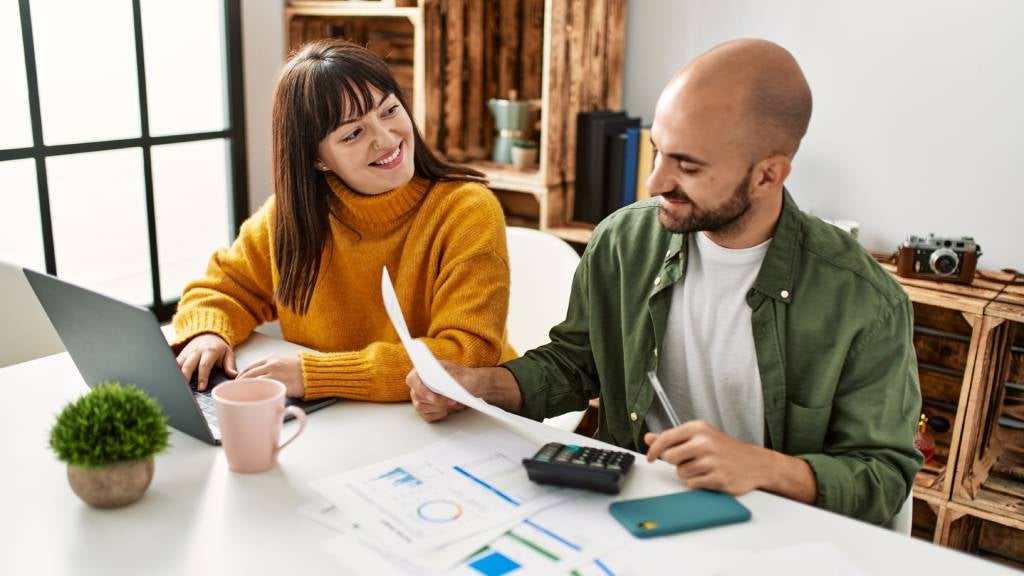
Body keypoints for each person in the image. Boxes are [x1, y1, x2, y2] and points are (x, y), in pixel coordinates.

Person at [406, 39, 922, 525]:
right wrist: (483, 386)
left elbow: (882, 475)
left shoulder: (864, 301)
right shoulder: (625, 240)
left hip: (769, 531)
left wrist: (763, 467)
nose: (655, 183)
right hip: (626, 512)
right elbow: (578, 362)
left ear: (769, 174)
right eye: (659, 152)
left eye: (688, 166)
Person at [173, 39, 515, 402]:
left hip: (463, 420)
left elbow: (467, 353)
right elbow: (220, 290)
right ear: (317, 159)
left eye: (389, 110)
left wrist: (317, 375)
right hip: (342, 423)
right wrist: (207, 333)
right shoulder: (292, 217)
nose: (386, 139)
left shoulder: (466, 210)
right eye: (353, 133)